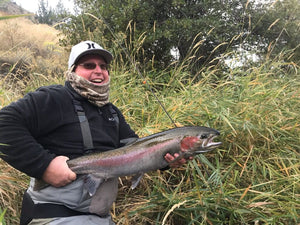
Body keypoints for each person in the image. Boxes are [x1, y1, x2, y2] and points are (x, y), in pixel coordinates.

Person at [0, 40, 189, 225]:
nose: (98, 71)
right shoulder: (54, 98)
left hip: (100, 218)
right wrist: (44, 165)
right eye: (88, 65)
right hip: (54, 215)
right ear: (72, 70)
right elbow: (3, 123)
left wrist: (165, 158)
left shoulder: (111, 112)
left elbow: (137, 150)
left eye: (103, 66)